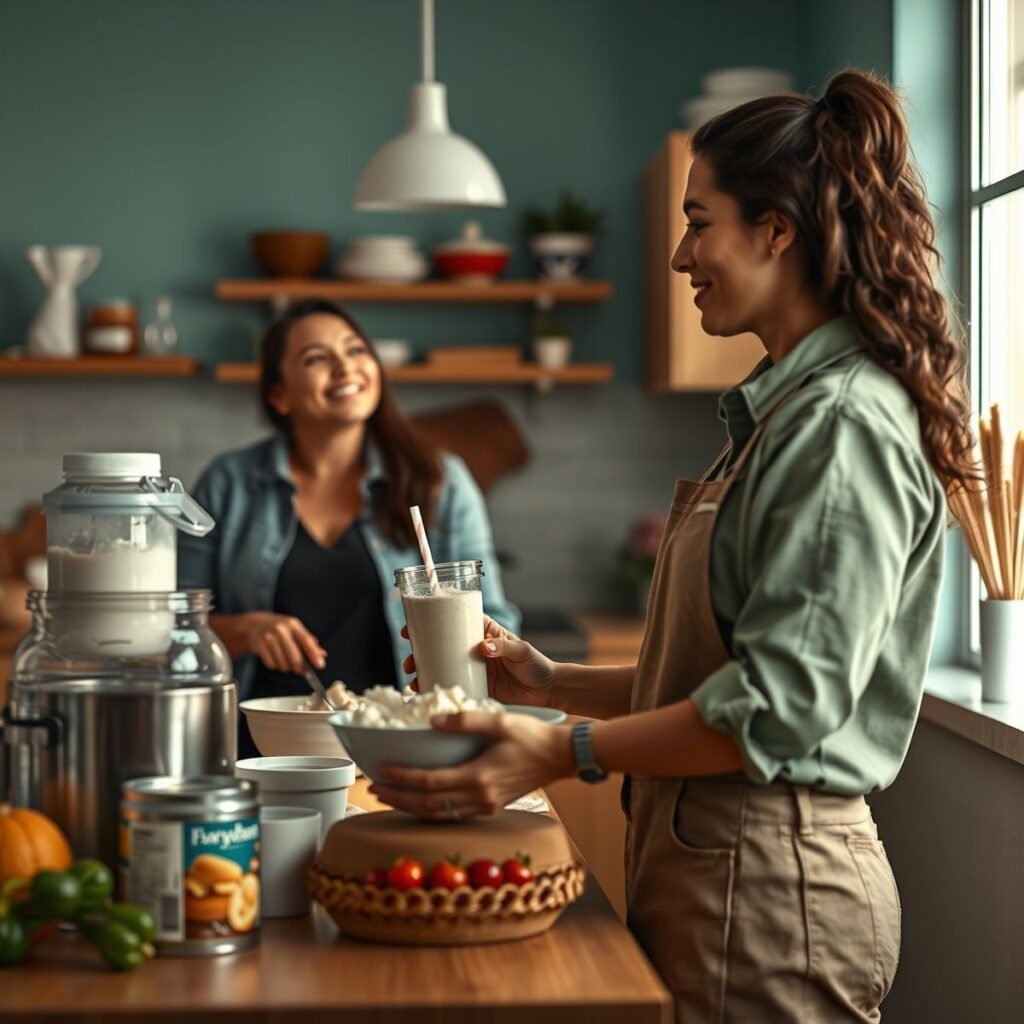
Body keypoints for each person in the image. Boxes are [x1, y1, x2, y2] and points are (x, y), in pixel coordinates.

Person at [369, 70, 975, 1022]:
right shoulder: (778, 415)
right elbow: (726, 675)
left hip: (772, 894)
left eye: (701, 222)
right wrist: (553, 679)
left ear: (777, 230)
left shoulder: (840, 425)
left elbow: (775, 712)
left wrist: (559, 748)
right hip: (719, 876)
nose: (682, 253)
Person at [178, 299, 519, 757]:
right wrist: (246, 629)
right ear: (279, 394)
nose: (345, 367)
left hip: (405, 744)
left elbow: (495, 618)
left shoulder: (440, 480)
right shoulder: (228, 484)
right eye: (316, 358)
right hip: (263, 751)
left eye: (356, 350)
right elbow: (174, 626)